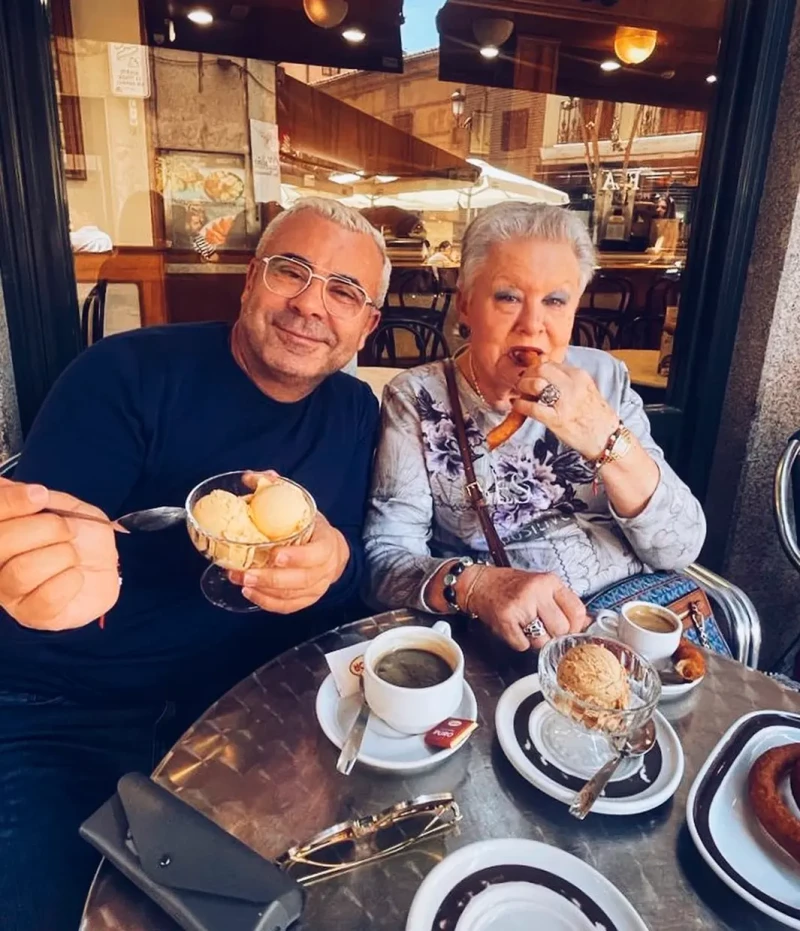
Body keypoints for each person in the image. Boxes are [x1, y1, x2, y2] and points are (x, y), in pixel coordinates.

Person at [0, 196, 388, 931]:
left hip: (244, 715)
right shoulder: (126, 375)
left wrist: (336, 562)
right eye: (291, 272)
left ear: (366, 326)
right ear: (249, 281)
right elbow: (41, 542)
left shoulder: (355, 414)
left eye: (344, 291)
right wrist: (31, 577)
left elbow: (355, 576)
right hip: (62, 713)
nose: (311, 304)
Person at [364, 202, 705, 652]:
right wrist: (478, 586)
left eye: (555, 301)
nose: (532, 325)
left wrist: (605, 437)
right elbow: (385, 561)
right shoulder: (418, 398)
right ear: (465, 303)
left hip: (634, 623)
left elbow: (679, 548)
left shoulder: (605, 380)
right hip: (516, 640)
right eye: (508, 297)